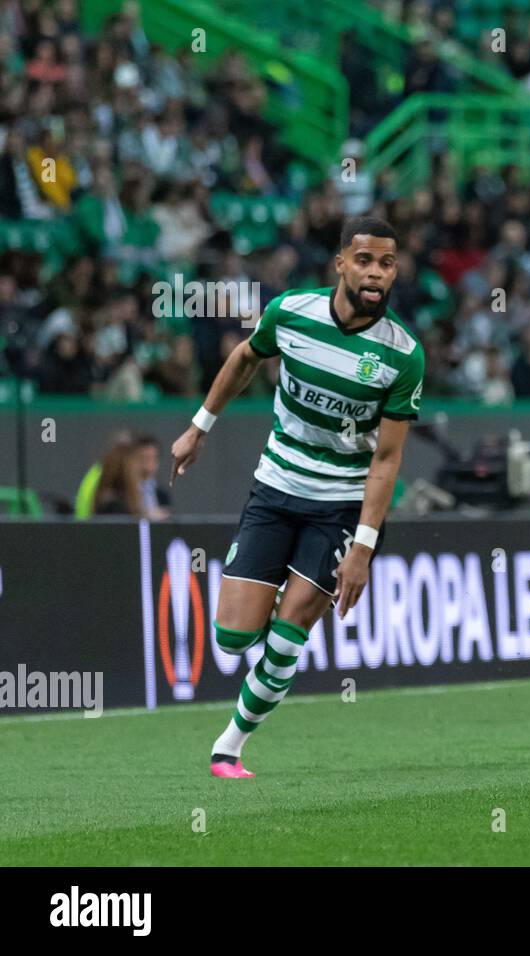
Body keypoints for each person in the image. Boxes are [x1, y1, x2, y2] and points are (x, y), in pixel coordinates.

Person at [169, 216, 426, 779]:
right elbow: (244, 358)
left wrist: (362, 547)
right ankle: (280, 605)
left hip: (338, 510)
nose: (376, 273)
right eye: (364, 261)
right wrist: (199, 427)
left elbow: (387, 460)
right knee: (233, 638)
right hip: (276, 488)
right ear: (341, 263)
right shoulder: (290, 312)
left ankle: (229, 746)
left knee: (287, 638)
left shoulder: (403, 354)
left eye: (386, 263)